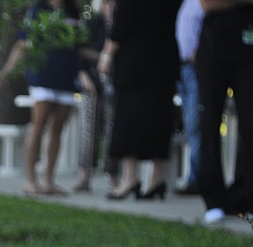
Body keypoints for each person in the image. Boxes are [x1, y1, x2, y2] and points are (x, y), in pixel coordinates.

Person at [0, 0, 90, 197]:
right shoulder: (37, 10)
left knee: (58, 129)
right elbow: (23, 43)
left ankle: (49, 181)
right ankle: (30, 181)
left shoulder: (72, 12)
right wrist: (7, 70)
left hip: (66, 78)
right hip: (42, 75)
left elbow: (78, 47)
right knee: (38, 126)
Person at [98, 0, 183, 201]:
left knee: (128, 119)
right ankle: (157, 177)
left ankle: (130, 177)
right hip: (164, 63)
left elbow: (121, 26)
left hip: (134, 64)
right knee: (159, 118)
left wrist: (106, 56)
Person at [196, 0, 253, 223]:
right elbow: (208, 4)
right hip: (214, 47)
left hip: (247, 46)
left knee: (250, 124)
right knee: (209, 123)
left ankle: (244, 196)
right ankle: (213, 199)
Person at [71, 0, 110, 192]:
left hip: (114, 84)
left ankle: (113, 177)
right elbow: (78, 50)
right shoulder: (93, 24)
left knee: (111, 131)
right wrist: (83, 73)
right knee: (89, 131)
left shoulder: (120, 24)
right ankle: (84, 176)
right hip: (91, 82)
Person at [174, 0, 205, 196]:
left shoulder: (204, 3)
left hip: (195, 69)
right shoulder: (185, 3)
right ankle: (194, 176)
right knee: (189, 125)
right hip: (182, 68)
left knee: (195, 125)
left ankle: (196, 179)